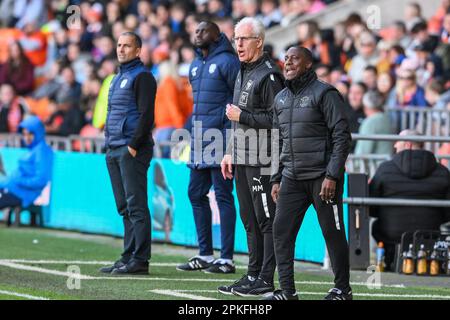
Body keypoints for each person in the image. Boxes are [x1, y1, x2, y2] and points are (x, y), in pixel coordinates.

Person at [268, 46, 352, 300]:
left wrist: (332, 176)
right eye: (286, 59)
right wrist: (275, 177)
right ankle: (287, 292)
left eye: (295, 58)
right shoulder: (280, 98)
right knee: (280, 232)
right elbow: (277, 142)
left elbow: (342, 137)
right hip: (291, 178)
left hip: (322, 178)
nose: (289, 62)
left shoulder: (325, 93)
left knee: (333, 233)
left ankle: (342, 289)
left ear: (308, 64)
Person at [219, 17, 284, 297]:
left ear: (259, 41)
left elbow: (278, 119)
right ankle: (253, 274)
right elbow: (238, 122)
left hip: (262, 159)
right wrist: (230, 152)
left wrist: (241, 115)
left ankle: (266, 279)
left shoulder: (269, 75)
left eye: (244, 39)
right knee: (249, 219)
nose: (239, 44)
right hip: (243, 156)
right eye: (236, 39)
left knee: (265, 220)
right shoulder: (243, 71)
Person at [176, 21, 240, 274]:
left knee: (223, 196)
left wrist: (231, 143)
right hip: (200, 139)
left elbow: (238, 102)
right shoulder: (195, 65)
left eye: (203, 30)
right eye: (195, 31)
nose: (197, 34)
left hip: (221, 140)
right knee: (195, 193)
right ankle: (205, 254)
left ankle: (226, 259)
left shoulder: (228, 62)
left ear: (217, 35)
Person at [100, 32, 157, 275]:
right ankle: (128, 255)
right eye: (119, 45)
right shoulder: (117, 78)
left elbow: (146, 115)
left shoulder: (143, 77)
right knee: (124, 206)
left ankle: (140, 260)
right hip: (114, 148)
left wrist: (133, 144)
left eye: (127, 46)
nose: (121, 49)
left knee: (136, 205)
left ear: (138, 50)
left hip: (131, 148)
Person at [369, 130, 450, 270]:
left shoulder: (384, 169)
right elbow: (447, 213)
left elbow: (372, 208)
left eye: (397, 141)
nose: (395, 145)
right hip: (429, 236)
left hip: (390, 237)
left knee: (376, 224)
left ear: (408, 144)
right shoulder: (443, 172)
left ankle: (389, 261)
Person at [0, 116, 53, 210]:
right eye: (24, 134)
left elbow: (41, 180)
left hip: (22, 194)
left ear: (38, 133)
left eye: (30, 134)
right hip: (12, 189)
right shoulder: (34, 150)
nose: (27, 138)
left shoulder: (42, 151)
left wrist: (18, 181)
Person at [354, 91, 394, 155]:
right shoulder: (386, 118)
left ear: (365, 107)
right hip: (387, 161)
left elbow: (363, 150)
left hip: (374, 163)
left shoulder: (370, 122)